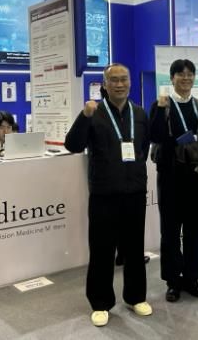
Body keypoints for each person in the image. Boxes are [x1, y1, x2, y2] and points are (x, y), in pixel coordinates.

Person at [64, 63, 152, 327]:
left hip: (134, 192)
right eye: (114, 80)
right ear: (105, 84)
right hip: (104, 194)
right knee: (102, 251)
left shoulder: (139, 113)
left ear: (130, 83)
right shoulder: (95, 112)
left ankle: (136, 297)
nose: (120, 84)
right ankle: (100, 303)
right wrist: (84, 116)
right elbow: (73, 145)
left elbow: (143, 147)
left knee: (134, 249)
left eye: (124, 79)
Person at [150, 59, 198, 302]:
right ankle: (172, 281)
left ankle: (192, 278)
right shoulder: (162, 105)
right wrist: (160, 110)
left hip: (196, 179)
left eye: (190, 74)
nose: (186, 78)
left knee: (196, 232)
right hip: (170, 177)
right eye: (180, 74)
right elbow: (155, 135)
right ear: (172, 78)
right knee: (170, 232)